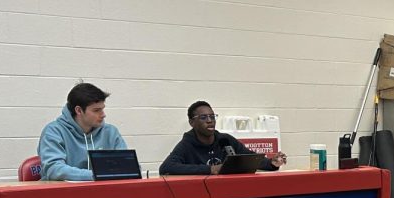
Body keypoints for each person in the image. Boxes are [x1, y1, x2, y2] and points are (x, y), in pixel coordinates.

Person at [159, 102, 287, 175]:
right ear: (192, 122)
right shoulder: (187, 144)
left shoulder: (225, 140)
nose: (210, 121)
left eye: (212, 116)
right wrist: (210, 169)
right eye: (203, 118)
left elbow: (250, 159)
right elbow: (166, 168)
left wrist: (271, 163)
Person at [37, 83, 128, 181]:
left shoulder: (110, 132)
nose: (103, 115)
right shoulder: (54, 131)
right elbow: (54, 170)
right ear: (79, 111)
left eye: (102, 109)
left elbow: (129, 167)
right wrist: (98, 175)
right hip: (64, 193)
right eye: (96, 110)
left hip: (102, 192)